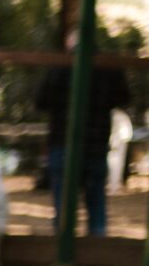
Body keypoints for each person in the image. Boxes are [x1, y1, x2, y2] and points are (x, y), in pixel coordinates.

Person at [37, 43, 134, 239]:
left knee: (63, 205)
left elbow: (40, 101)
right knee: (96, 201)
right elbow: (124, 98)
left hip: (63, 145)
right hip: (95, 144)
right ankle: (96, 245)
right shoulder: (108, 68)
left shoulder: (59, 66)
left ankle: (65, 249)